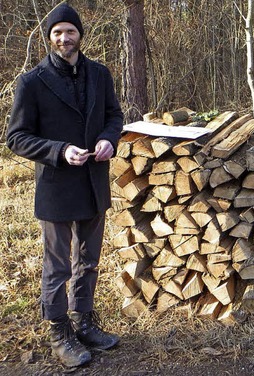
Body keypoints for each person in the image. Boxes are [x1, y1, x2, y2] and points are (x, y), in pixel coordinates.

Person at [6, 3, 123, 368]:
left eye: (69, 31)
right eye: (57, 32)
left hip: (93, 181)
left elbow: (114, 116)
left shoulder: (99, 74)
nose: (64, 37)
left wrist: (108, 139)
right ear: (49, 38)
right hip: (56, 184)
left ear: (79, 35)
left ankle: (83, 322)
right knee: (57, 265)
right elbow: (16, 138)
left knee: (88, 261)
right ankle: (59, 331)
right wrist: (59, 150)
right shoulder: (31, 82)